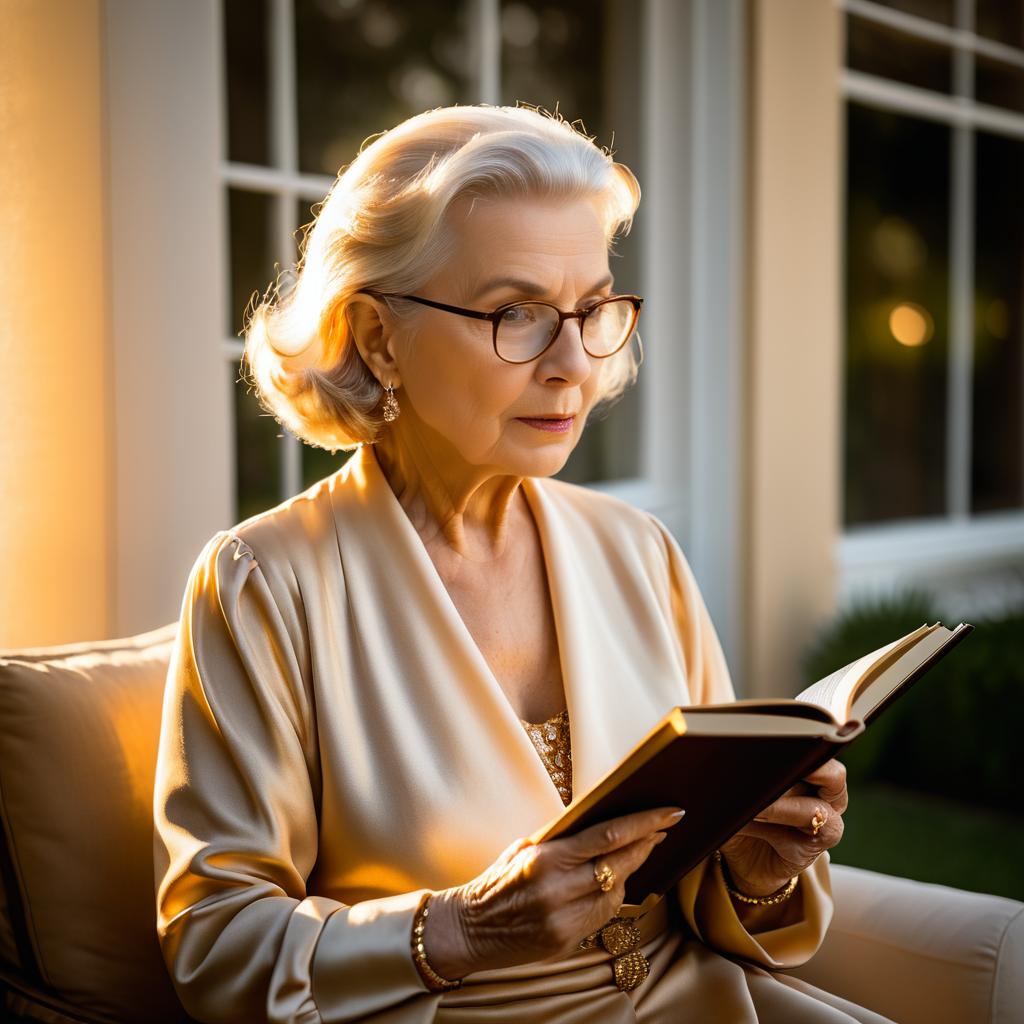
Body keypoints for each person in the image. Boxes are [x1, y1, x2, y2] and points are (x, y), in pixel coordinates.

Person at [153, 103, 890, 1023]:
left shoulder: (639, 549)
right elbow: (216, 944)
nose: (574, 364)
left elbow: (705, 894)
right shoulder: (265, 583)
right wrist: (459, 930)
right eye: (517, 314)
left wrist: (758, 871)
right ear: (379, 337)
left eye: (592, 309)